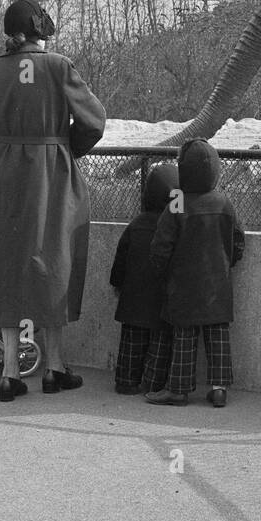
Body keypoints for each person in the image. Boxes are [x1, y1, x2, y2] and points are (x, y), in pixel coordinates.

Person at [0, 0, 106, 403]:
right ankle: (54, 367)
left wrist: (2, 155)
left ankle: (10, 373)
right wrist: (64, 148)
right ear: (40, 33)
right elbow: (95, 121)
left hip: (6, 177)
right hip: (55, 174)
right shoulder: (59, 66)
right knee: (56, 263)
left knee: (9, 266)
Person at [145, 138, 244, 408]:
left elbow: (161, 246)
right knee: (218, 336)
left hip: (183, 286)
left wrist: (162, 272)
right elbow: (237, 241)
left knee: (184, 337)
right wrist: (226, 264)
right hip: (218, 284)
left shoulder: (177, 202)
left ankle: (178, 389)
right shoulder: (224, 202)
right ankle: (219, 388)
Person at [108, 162, 178, 395]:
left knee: (132, 341)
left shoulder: (136, 224)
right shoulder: (175, 226)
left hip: (133, 298)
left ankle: (126, 380)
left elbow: (121, 257)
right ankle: (153, 382)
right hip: (162, 298)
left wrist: (117, 283)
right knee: (160, 341)